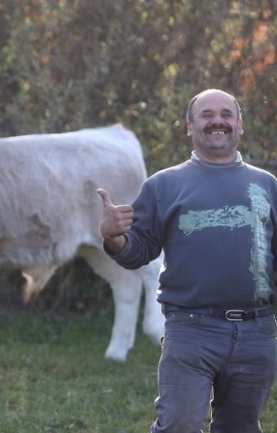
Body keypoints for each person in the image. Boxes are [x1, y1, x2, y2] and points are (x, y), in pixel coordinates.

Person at [97, 88, 277, 433]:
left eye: (226, 114)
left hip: (257, 332)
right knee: (178, 425)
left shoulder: (267, 186)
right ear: (189, 127)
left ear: (239, 125)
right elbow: (138, 251)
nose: (217, 121)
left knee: (241, 428)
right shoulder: (164, 185)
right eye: (206, 115)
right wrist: (112, 236)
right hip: (191, 329)